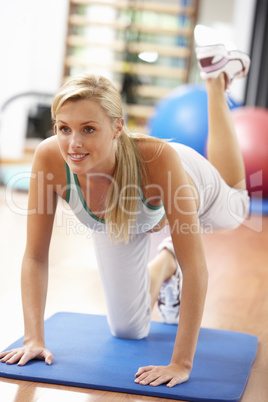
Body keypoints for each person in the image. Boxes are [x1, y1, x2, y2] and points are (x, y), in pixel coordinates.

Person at [0, 39, 250, 388]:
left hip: (188, 178)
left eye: (89, 129)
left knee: (236, 210)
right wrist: (33, 339)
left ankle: (214, 83)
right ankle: (165, 262)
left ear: (117, 127)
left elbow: (197, 268)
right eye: (63, 128)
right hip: (123, 224)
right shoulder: (49, 159)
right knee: (128, 329)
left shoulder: (159, 159)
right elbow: (36, 257)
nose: (74, 143)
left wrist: (180, 363)